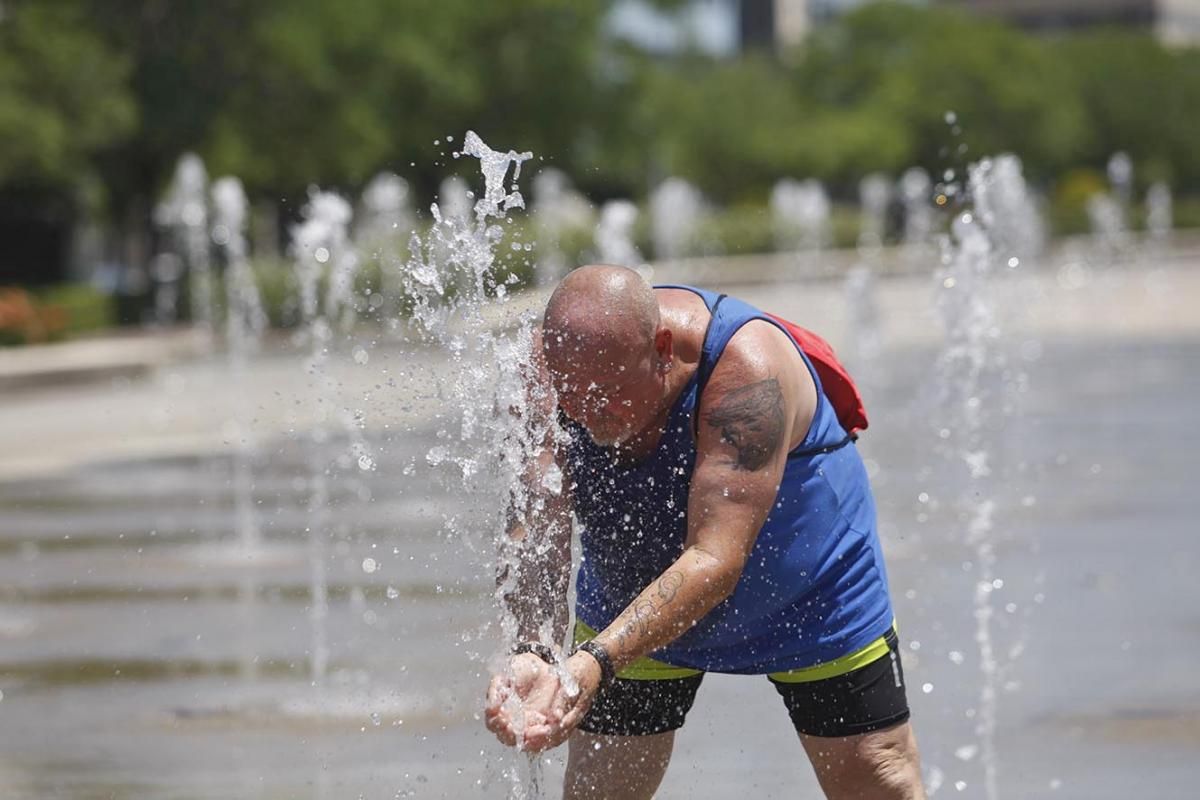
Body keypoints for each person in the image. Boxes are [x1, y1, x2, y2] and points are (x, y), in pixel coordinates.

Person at [485, 264, 925, 799]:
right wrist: (533, 648)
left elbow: (714, 560)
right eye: (571, 395)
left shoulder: (746, 372)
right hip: (631, 598)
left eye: (610, 390)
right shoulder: (538, 377)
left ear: (662, 349)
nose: (588, 412)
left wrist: (594, 662)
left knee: (877, 780)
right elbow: (534, 531)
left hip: (812, 595)